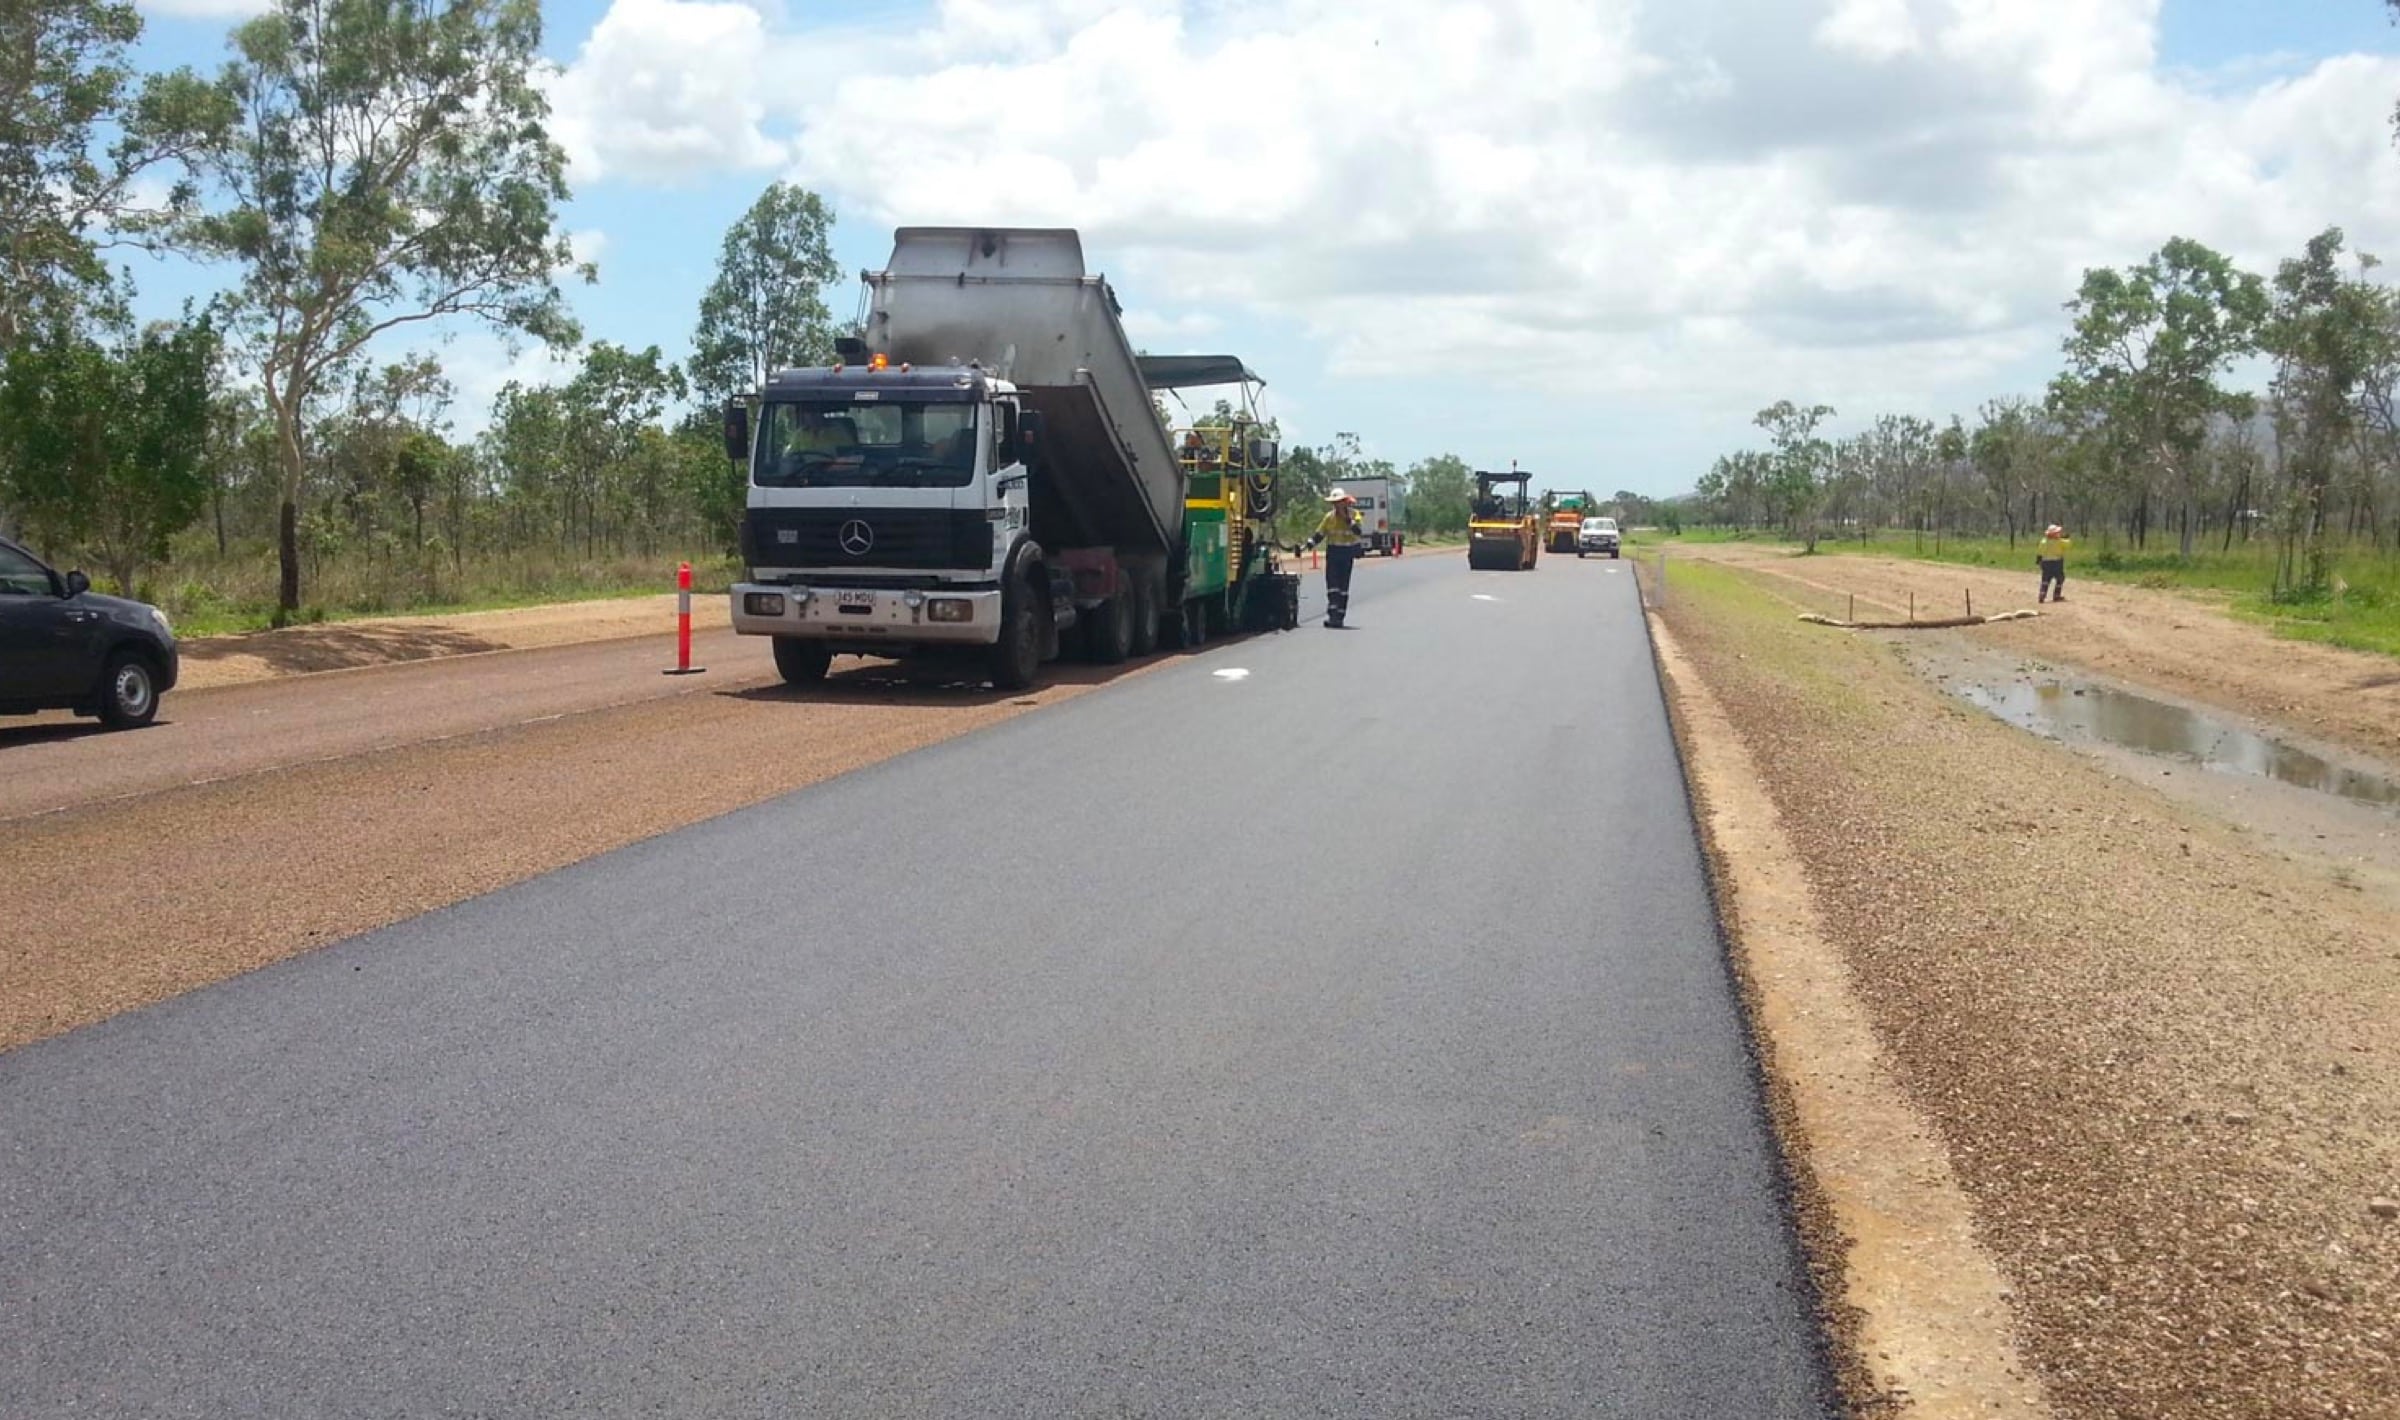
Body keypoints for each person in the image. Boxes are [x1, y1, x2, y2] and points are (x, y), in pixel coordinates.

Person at [1297, 488, 1367, 628]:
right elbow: (1319, 534)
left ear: (1345, 502)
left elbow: (1359, 531)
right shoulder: (1329, 517)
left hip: (1347, 554)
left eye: (1339, 502)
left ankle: (1339, 617)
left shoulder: (1355, 514)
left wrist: (1348, 520)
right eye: (1334, 503)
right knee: (1332, 586)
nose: (1337, 505)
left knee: (1343, 587)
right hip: (1333, 553)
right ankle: (1333, 616)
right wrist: (1306, 546)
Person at [2036, 524, 2071, 603]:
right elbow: (2068, 545)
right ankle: (2056, 595)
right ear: (2055, 534)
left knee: (2045, 579)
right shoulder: (2060, 542)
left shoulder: (2043, 541)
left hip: (2045, 562)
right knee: (2060, 578)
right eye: (2058, 532)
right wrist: (2066, 538)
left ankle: (2042, 594)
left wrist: (2038, 560)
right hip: (2057, 562)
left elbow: (2040, 551)